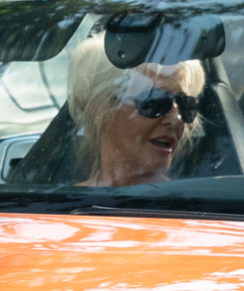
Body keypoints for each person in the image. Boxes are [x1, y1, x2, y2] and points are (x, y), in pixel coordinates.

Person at [67, 40, 205, 185]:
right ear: (100, 108)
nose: (176, 118)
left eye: (185, 104)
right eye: (154, 102)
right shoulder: (59, 203)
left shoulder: (192, 205)